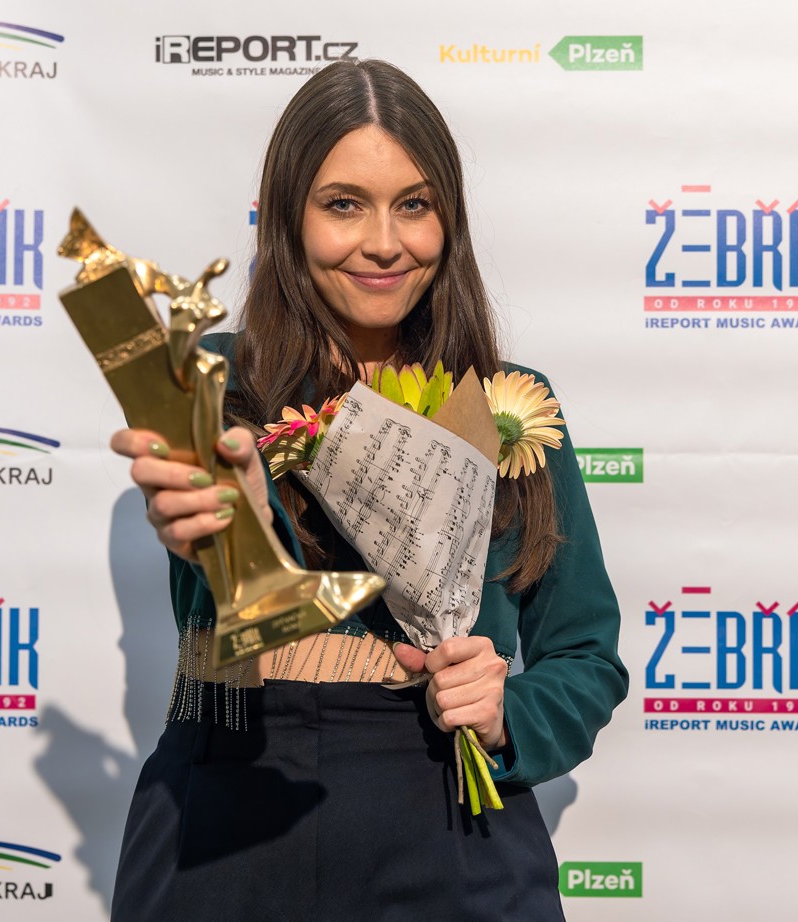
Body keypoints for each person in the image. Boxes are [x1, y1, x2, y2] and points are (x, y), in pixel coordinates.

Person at [108, 59, 627, 921]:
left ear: (449, 219)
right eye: (344, 205)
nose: (384, 242)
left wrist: (507, 711)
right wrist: (237, 520)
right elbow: (221, 557)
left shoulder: (510, 405)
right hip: (230, 803)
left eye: (413, 205)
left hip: (450, 813)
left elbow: (585, 656)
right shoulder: (213, 382)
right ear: (288, 218)